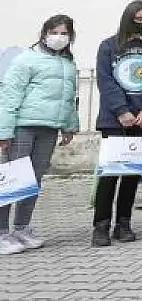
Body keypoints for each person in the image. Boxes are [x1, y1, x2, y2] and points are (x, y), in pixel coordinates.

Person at [92, 0, 142, 247]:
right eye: (139, 19)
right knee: (110, 174)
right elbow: (105, 81)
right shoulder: (109, 46)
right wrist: (121, 110)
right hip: (115, 120)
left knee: (131, 175)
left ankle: (123, 223)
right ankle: (101, 225)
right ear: (128, 18)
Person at [0, 15, 79, 254]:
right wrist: (4, 131)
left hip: (49, 128)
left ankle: (21, 228)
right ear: (44, 33)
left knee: (33, 180)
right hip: (23, 127)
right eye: (55, 32)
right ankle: (1, 232)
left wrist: (69, 126)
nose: (59, 37)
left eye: (65, 33)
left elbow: (69, 99)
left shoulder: (68, 63)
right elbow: (10, 94)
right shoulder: (27, 59)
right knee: (12, 179)